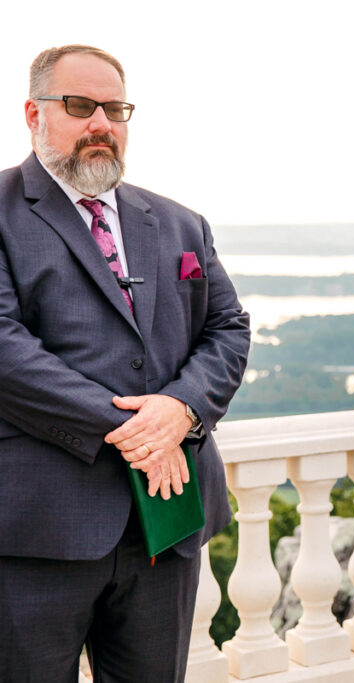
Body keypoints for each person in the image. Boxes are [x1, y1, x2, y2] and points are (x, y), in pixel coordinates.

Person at [0, 45, 249, 681]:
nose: (101, 124)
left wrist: (180, 409)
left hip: (165, 524)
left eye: (114, 108)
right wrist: (139, 430)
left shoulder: (179, 222)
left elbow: (228, 327)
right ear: (34, 113)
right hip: (37, 529)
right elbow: (5, 348)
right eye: (80, 106)